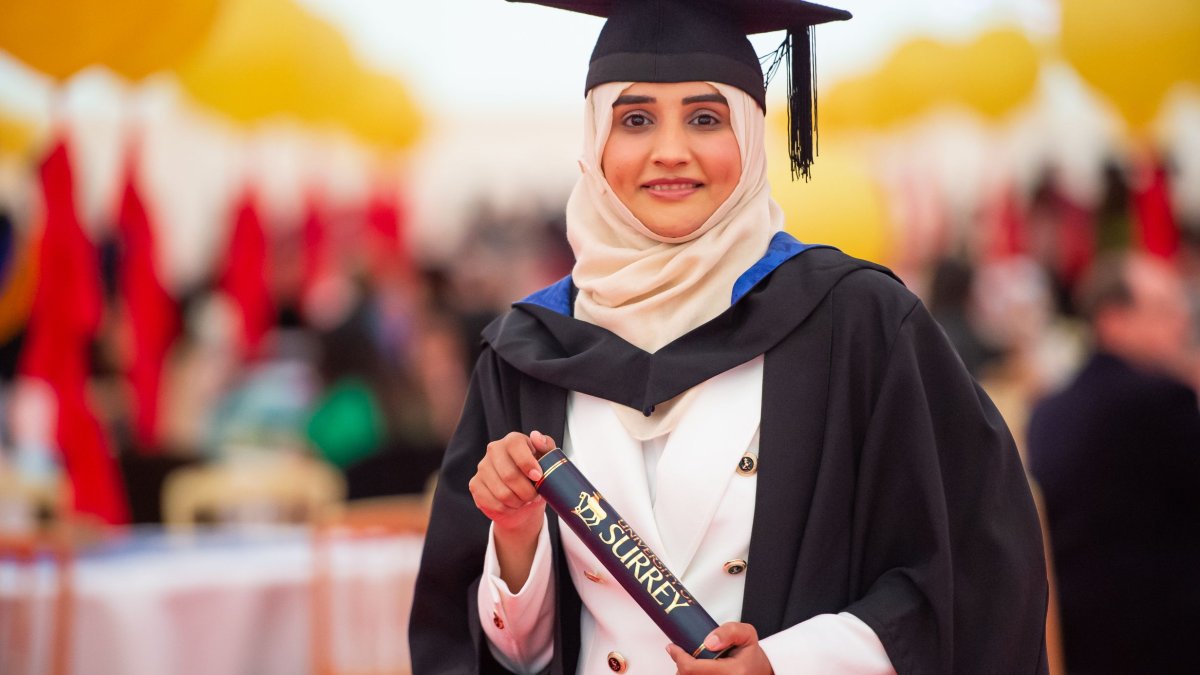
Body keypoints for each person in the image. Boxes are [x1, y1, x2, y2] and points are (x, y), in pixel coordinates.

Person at [411, 1, 1049, 673]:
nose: (670, 151)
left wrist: (788, 662)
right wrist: (516, 538)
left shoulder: (856, 323)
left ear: (750, 135)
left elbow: (971, 571)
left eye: (705, 118)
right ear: (595, 143)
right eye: (634, 120)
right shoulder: (530, 351)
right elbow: (492, 652)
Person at [1027, 252, 1200, 674]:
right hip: (1161, 638)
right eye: (1163, 309)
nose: (1181, 323)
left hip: (1075, 634)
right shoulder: (1160, 401)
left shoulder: (1050, 406)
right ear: (1112, 320)